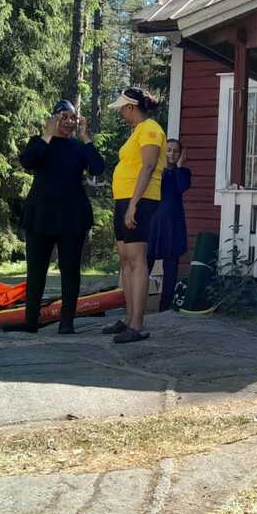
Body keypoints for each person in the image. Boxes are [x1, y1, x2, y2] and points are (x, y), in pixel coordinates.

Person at [4, 100, 105, 334]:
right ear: (53, 119)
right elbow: (28, 161)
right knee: (36, 270)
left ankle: (67, 322)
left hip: (72, 215)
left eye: (73, 118)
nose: (69, 122)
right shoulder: (39, 143)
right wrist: (48, 134)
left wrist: (86, 137)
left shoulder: (79, 147)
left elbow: (98, 168)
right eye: (64, 117)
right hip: (41, 214)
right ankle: (31, 322)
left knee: (70, 270)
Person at [105, 87, 166, 343]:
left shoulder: (150, 128)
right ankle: (129, 318)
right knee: (126, 260)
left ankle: (138, 325)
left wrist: (133, 205)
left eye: (122, 108)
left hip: (139, 200)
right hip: (125, 199)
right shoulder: (137, 131)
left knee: (137, 260)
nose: (120, 112)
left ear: (131, 107)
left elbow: (149, 165)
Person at [147, 139, 191, 312]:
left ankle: (165, 307)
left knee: (171, 266)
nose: (172, 154)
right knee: (146, 262)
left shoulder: (184, 173)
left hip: (173, 224)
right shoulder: (155, 171)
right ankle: (137, 303)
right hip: (153, 223)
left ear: (181, 154)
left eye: (176, 151)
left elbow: (181, 187)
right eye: (168, 150)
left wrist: (179, 167)